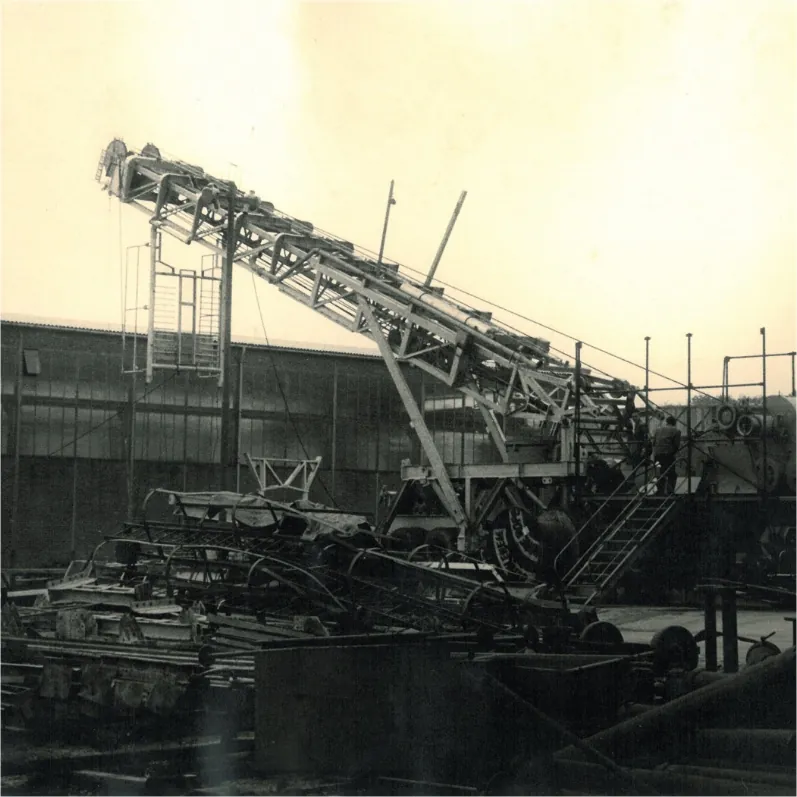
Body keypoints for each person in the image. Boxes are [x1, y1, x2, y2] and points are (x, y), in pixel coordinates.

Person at [652, 416, 681, 495]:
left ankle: (660, 491)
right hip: (668, 455)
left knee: (660, 473)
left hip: (657, 455)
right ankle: (670, 492)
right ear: (674, 423)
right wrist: (673, 454)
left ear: (667, 422)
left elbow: (654, 443)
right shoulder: (676, 431)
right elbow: (676, 445)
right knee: (671, 474)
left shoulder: (658, 430)